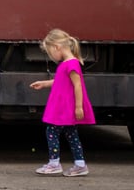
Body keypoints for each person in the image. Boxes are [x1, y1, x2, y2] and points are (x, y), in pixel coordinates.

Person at [30, 28, 95, 177]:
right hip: (64, 106)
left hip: (65, 107)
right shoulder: (68, 63)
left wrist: (79, 107)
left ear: (57, 47)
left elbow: (78, 85)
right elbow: (61, 81)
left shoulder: (71, 64)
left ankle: (54, 163)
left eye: (50, 52)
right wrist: (44, 84)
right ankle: (80, 165)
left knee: (51, 131)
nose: (51, 56)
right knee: (71, 134)